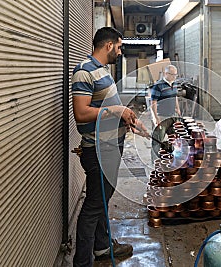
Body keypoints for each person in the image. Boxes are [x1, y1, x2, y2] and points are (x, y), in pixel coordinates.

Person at [71, 27, 148, 267]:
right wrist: (116, 110)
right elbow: (81, 113)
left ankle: (102, 247)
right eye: (119, 46)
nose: (120, 50)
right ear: (108, 46)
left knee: (102, 199)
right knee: (94, 205)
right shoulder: (85, 72)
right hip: (99, 151)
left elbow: (103, 108)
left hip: (111, 147)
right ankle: (82, 262)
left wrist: (126, 119)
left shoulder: (102, 70)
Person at [150, 65, 181, 161]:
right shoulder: (158, 86)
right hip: (161, 116)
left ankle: (171, 160)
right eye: (172, 75)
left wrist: (177, 109)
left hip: (172, 116)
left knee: (174, 139)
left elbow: (175, 97)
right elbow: (153, 102)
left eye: (176, 75)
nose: (174, 77)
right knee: (158, 140)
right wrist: (156, 117)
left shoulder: (174, 84)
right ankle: (155, 163)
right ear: (166, 74)